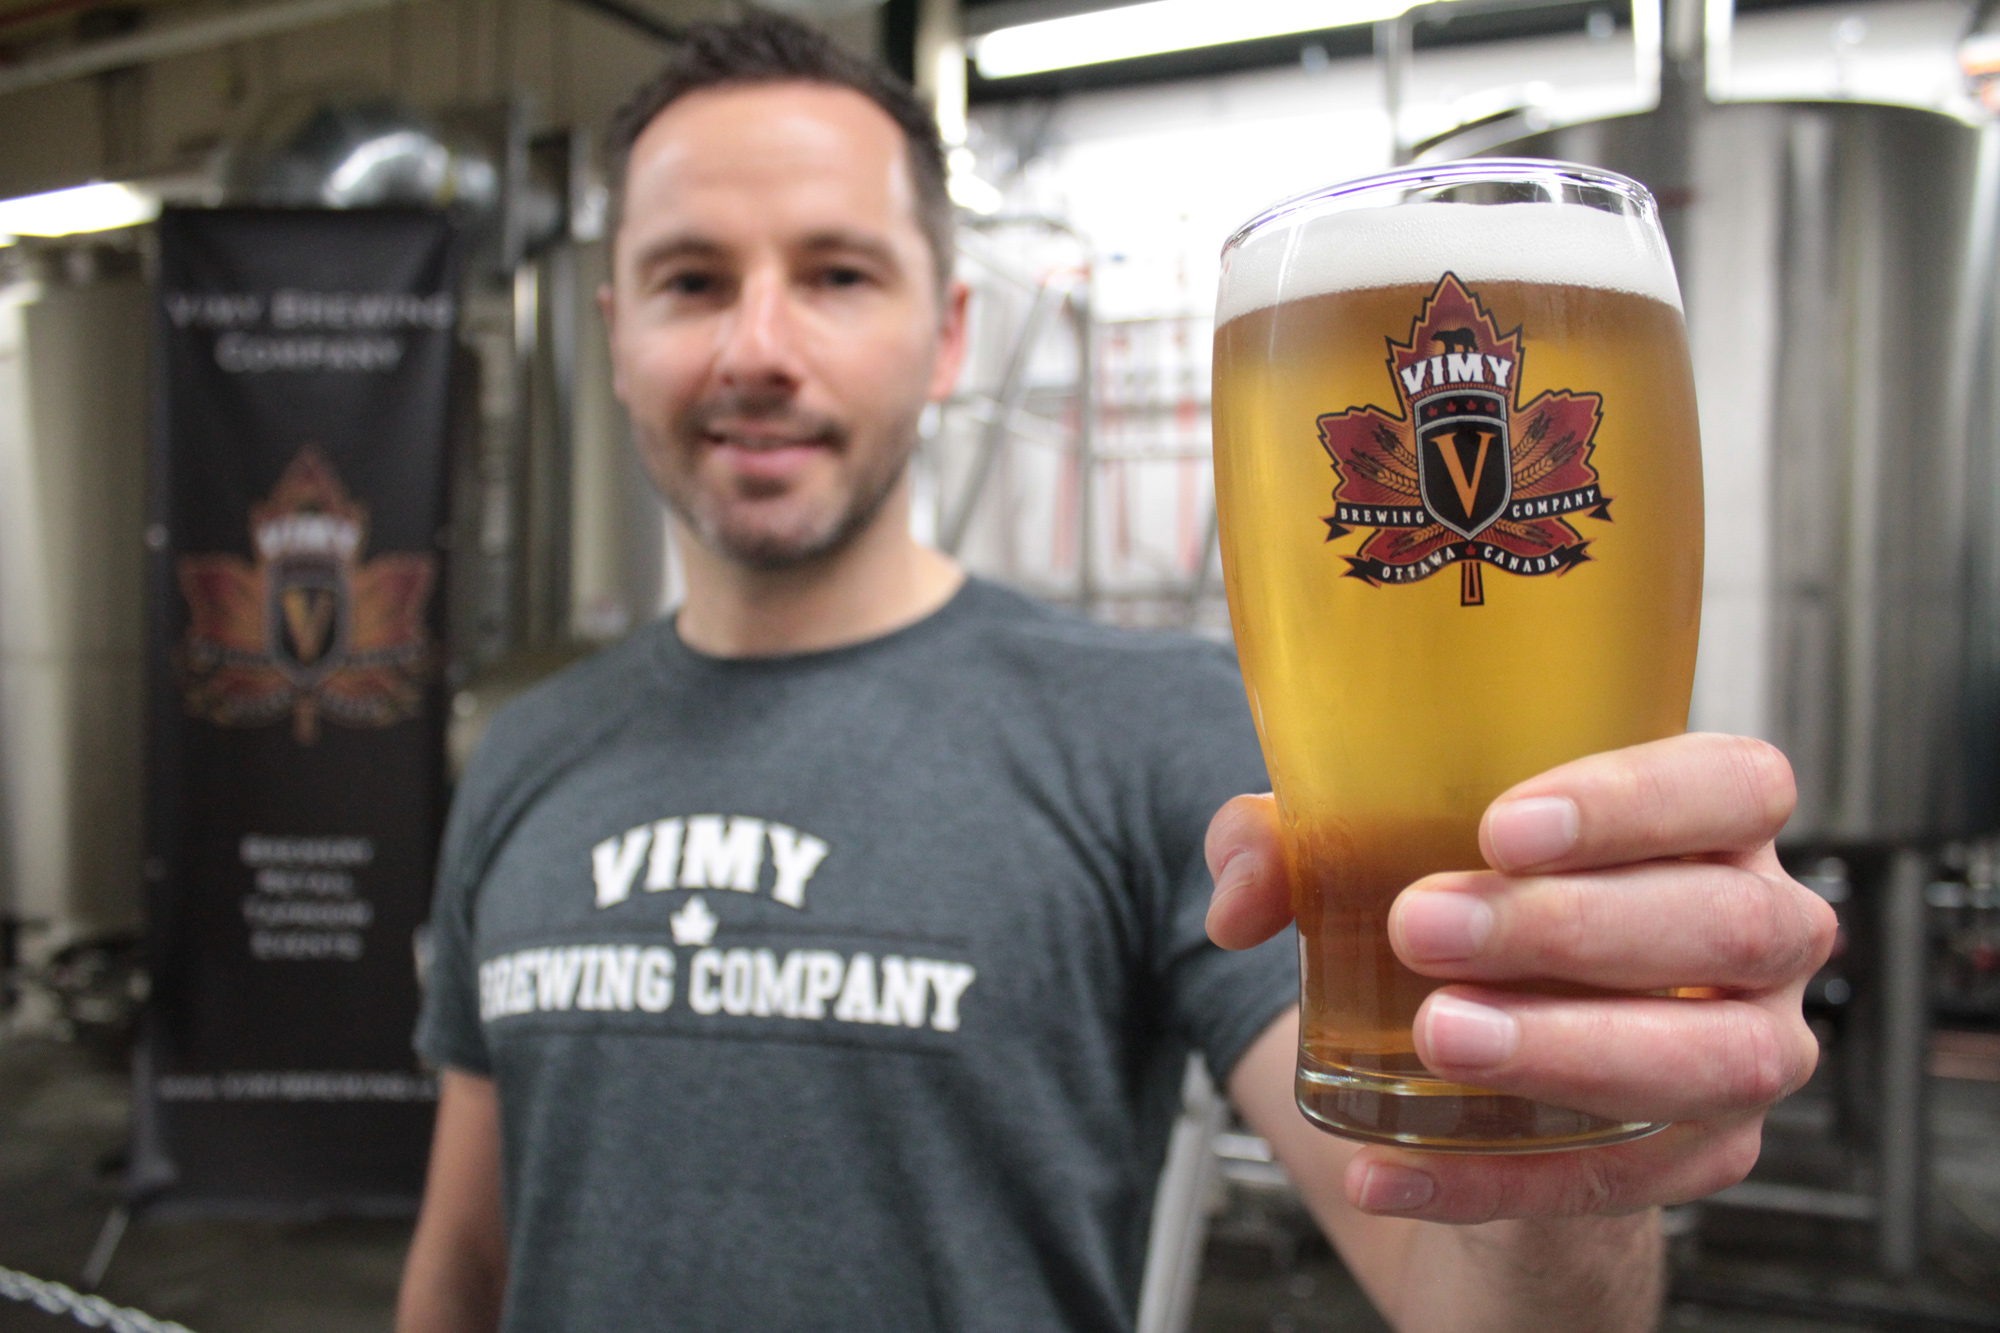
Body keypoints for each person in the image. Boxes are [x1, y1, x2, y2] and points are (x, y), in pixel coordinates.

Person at [397, 12, 1833, 1332]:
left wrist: (1568, 1165)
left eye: (838, 273)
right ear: (613, 334)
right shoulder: (526, 754)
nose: (759, 348)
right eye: (690, 279)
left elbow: (1450, 1283)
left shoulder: (1150, 734)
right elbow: (464, 1268)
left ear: (950, 330)